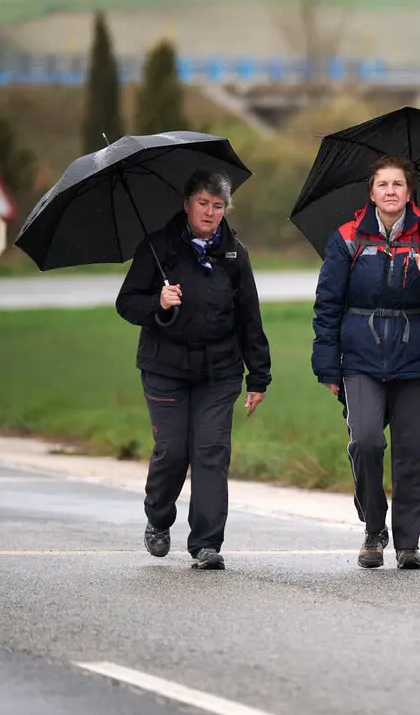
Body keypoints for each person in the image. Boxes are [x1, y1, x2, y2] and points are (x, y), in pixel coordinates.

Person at [311, 154, 420, 571]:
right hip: (360, 357)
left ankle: (408, 544)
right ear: (371, 192)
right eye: (383, 184)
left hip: (415, 358)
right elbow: (327, 304)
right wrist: (326, 364)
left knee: (411, 454)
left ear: (410, 192)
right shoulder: (346, 239)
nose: (391, 191)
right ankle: (374, 528)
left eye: (398, 184)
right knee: (366, 442)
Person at [116, 169, 272, 571]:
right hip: (165, 367)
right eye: (203, 204)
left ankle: (206, 543)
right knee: (173, 450)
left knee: (211, 452)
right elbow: (127, 303)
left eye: (218, 206)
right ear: (187, 205)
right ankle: (158, 516)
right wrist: (158, 301)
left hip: (219, 371)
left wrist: (258, 376)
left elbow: (249, 317)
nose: (210, 212)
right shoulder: (159, 247)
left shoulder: (235, 253)